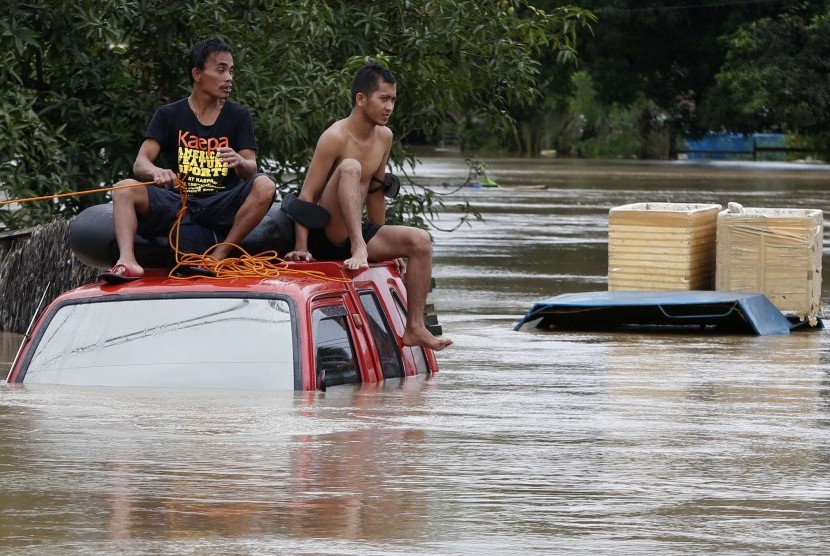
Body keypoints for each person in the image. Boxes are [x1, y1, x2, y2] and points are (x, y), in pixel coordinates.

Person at [284, 62, 453, 351]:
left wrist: (384, 241)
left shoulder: (384, 137)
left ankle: (414, 327)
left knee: (420, 241)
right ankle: (359, 247)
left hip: (357, 234)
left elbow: (375, 191)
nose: (390, 107)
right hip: (328, 233)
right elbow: (307, 195)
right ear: (361, 99)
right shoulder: (335, 136)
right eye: (384, 99)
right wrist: (302, 246)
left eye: (393, 100)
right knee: (350, 167)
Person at [101, 37, 276, 282]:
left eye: (231, 71)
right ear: (197, 73)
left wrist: (238, 161)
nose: (229, 78)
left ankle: (220, 254)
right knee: (124, 188)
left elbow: (251, 168)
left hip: (220, 203)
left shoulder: (239, 115)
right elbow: (140, 162)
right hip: (180, 202)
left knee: (266, 184)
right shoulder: (168, 114)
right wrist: (156, 172)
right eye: (221, 70)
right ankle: (127, 261)